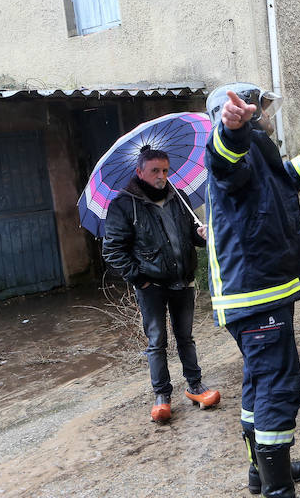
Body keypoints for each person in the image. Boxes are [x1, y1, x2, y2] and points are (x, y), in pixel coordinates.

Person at [204, 82, 300, 498]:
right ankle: (278, 488)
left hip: (261, 293)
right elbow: (225, 162)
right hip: (255, 295)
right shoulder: (235, 148)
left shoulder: (259, 150)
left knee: (259, 384)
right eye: (260, 108)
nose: (267, 114)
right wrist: (232, 131)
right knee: (278, 386)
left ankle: (262, 472)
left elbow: (277, 186)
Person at [102, 148, 220, 422]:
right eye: (155, 171)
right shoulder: (124, 204)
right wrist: (139, 279)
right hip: (150, 285)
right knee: (156, 341)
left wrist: (202, 235)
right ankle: (162, 396)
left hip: (182, 280)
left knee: (185, 337)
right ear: (140, 172)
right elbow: (113, 251)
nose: (161, 176)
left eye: (165, 170)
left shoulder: (178, 197)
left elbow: (190, 234)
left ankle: (195, 386)